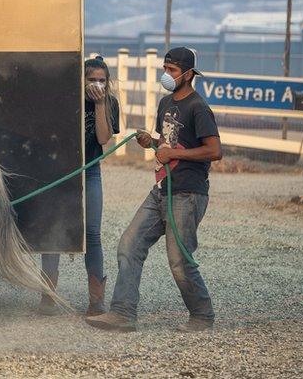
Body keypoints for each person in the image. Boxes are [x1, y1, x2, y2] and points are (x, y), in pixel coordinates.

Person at [86, 46, 221, 333]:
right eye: (165, 69)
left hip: (187, 193)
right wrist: (152, 142)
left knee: (179, 260)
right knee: (129, 245)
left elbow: (214, 150)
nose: (167, 75)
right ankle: (122, 313)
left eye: (172, 71)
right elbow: (168, 142)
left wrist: (174, 154)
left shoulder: (198, 107)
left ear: (188, 74)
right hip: (161, 189)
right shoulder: (165, 103)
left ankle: (202, 315)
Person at [38, 56, 120, 316]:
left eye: (102, 80)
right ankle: (48, 296)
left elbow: (104, 138)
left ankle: (96, 301)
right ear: (81, 80)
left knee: (93, 233)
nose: (97, 84)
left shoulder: (109, 103)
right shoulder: (67, 99)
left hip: (90, 171)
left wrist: (98, 105)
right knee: (53, 230)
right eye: (91, 79)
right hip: (61, 172)